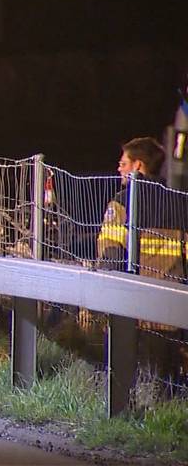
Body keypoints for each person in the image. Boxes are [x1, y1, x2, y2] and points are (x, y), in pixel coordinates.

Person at [97, 137, 187, 378]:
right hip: (170, 310)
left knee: (124, 378)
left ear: (138, 166)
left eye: (123, 163)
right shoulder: (181, 202)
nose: (119, 168)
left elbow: (111, 251)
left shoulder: (121, 202)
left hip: (131, 310)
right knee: (165, 380)